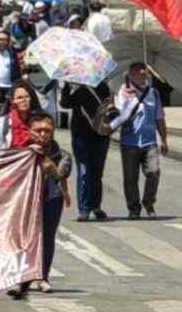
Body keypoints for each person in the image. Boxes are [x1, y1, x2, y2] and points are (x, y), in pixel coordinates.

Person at [8, 113, 71, 299]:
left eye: (47, 131)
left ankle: (43, 276)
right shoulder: (20, 152)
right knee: (24, 238)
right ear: (29, 131)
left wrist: (46, 161)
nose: (42, 134)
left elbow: (61, 174)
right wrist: (27, 154)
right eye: (38, 130)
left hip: (51, 198)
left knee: (47, 237)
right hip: (25, 200)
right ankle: (21, 278)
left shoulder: (63, 155)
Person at [110, 62, 168, 219]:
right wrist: (127, 100)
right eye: (139, 73)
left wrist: (164, 139)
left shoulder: (153, 93)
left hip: (149, 142)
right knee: (130, 178)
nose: (143, 75)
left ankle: (148, 202)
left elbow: (160, 118)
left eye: (145, 73)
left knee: (154, 172)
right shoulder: (123, 91)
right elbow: (119, 115)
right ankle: (134, 208)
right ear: (131, 75)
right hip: (129, 142)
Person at [60, 81, 112, 222]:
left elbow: (108, 106)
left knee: (97, 171)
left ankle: (96, 206)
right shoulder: (76, 88)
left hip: (100, 134)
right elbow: (65, 104)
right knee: (84, 170)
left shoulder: (102, 86)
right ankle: (84, 209)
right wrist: (66, 87)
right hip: (80, 135)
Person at [0, 81, 40, 150]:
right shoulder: (2, 122)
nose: (24, 100)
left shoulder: (38, 121)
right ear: (12, 100)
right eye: (19, 98)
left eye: (27, 97)